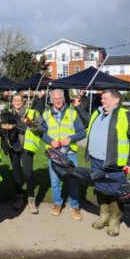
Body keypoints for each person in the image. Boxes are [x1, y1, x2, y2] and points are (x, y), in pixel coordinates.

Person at [86, 89, 130, 237]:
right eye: (102, 98)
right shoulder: (97, 113)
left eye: (105, 98)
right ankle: (104, 215)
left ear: (116, 100)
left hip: (115, 163)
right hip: (96, 161)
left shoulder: (125, 115)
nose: (102, 101)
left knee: (116, 192)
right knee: (100, 189)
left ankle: (115, 220)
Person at [41, 89, 86, 220]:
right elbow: (41, 133)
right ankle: (57, 203)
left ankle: (75, 206)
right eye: (55, 98)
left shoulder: (72, 114)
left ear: (64, 99)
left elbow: (82, 132)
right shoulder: (45, 115)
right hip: (54, 153)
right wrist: (50, 141)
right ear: (51, 100)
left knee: (73, 180)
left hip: (69, 153)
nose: (58, 100)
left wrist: (71, 138)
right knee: (55, 181)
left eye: (60, 98)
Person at [7, 93, 44, 213]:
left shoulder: (32, 113)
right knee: (16, 174)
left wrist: (30, 123)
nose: (17, 102)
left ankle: (31, 199)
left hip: (26, 148)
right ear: (12, 102)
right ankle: (19, 198)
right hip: (13, 147)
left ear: (23, 101)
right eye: (15, 100)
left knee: (28, 174)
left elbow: (40, 129)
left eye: (19, 100)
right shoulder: (8, 113)